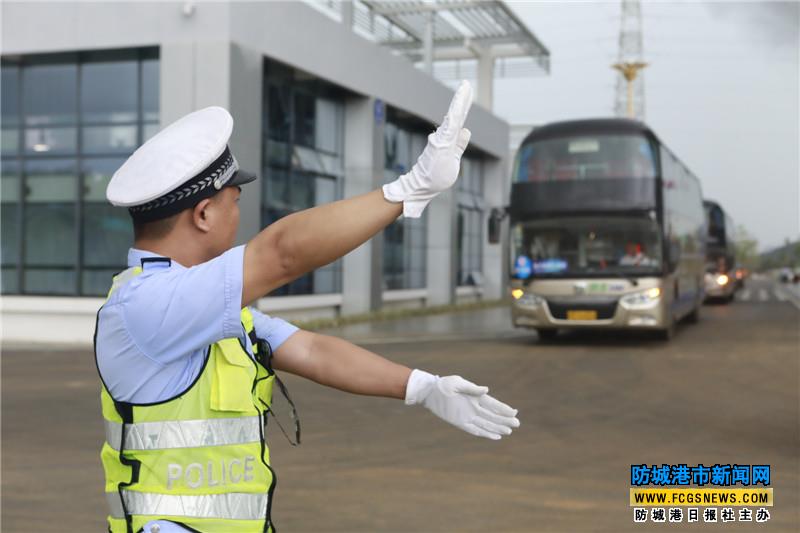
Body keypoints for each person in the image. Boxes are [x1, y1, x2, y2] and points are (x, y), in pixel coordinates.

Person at [96, 81, 520, 533]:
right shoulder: (147, 305)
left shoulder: (203, 310)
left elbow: (313, 351)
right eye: (233, 204)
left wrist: (422, 387)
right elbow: (281, 253)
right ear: (203, 215)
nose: (240, 218)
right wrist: (406, 190)